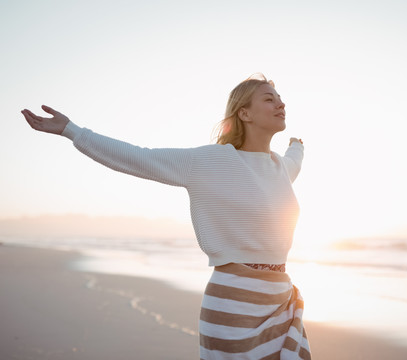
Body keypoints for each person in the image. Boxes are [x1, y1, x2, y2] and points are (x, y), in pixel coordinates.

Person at [21, 74, 311, 360]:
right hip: (233, 302)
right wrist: (72, 130)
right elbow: (139, 157)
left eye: (281, 99)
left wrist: (296, 146)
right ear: (244, 113)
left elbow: (294, 161)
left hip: (281, 299)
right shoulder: (211, 161)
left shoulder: (280, 169)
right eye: (269, 99)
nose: (280, 104)